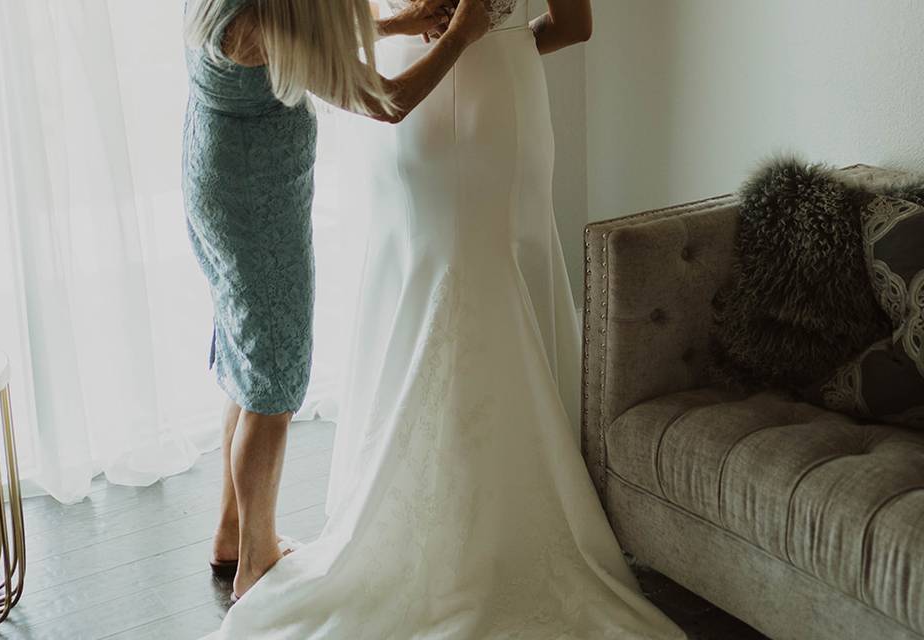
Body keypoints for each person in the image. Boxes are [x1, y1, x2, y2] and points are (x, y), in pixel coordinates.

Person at [203, 0, 687, 638]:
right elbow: (574, 25)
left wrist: (436, 36)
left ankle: (385, 512)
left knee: (425, 271)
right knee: (481, 268)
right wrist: (497, 43)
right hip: (467, 101)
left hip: (411, 100)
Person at [181, 0, 492, 601]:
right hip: (255, 208)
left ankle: (229, 533)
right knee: (272, 387)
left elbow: (310, 38)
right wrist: (458, 36)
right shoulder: (262, 23)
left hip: (220, 179)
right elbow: (387, 102)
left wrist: (401, 23)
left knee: (249, 368)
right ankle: (257, 562)